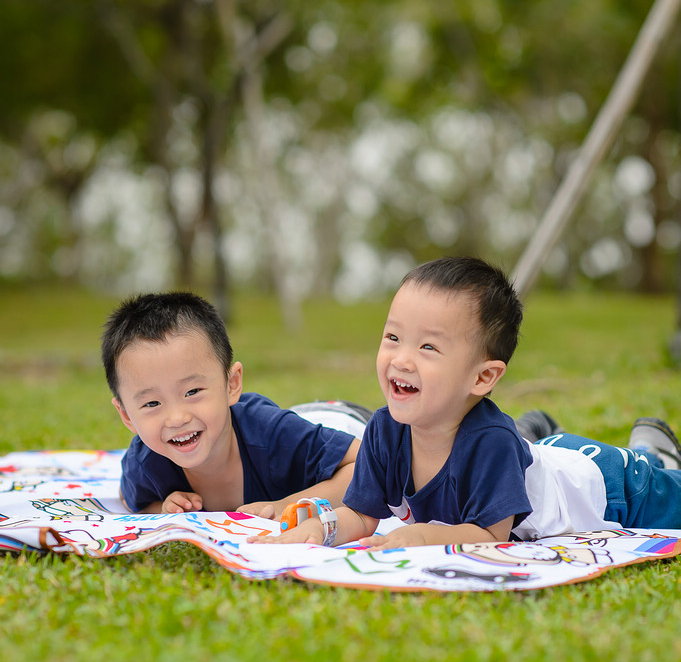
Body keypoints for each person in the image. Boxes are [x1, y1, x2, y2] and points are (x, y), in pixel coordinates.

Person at [252, 255, 681, 549]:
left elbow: (490, 537)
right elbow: (362, 517)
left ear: (482, 377)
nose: (401, 359)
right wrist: (320, 529)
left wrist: (420, 537)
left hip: (614, 489)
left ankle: (651, 453)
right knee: (538, 455)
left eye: (428, 348)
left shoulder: (489, 441)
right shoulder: (384, 431)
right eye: (393, 337)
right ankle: (564, 437)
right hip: (543, 463)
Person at [101, 291, 365, 516]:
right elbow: (129, 497)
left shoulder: (274, 435)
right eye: (152, 404)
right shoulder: (147, 461)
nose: (176, 417)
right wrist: (163, 508)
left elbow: (367, 463)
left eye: (192, 391)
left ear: (231, 385)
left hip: (342, 417)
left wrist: (286, 507)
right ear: (126, 415)